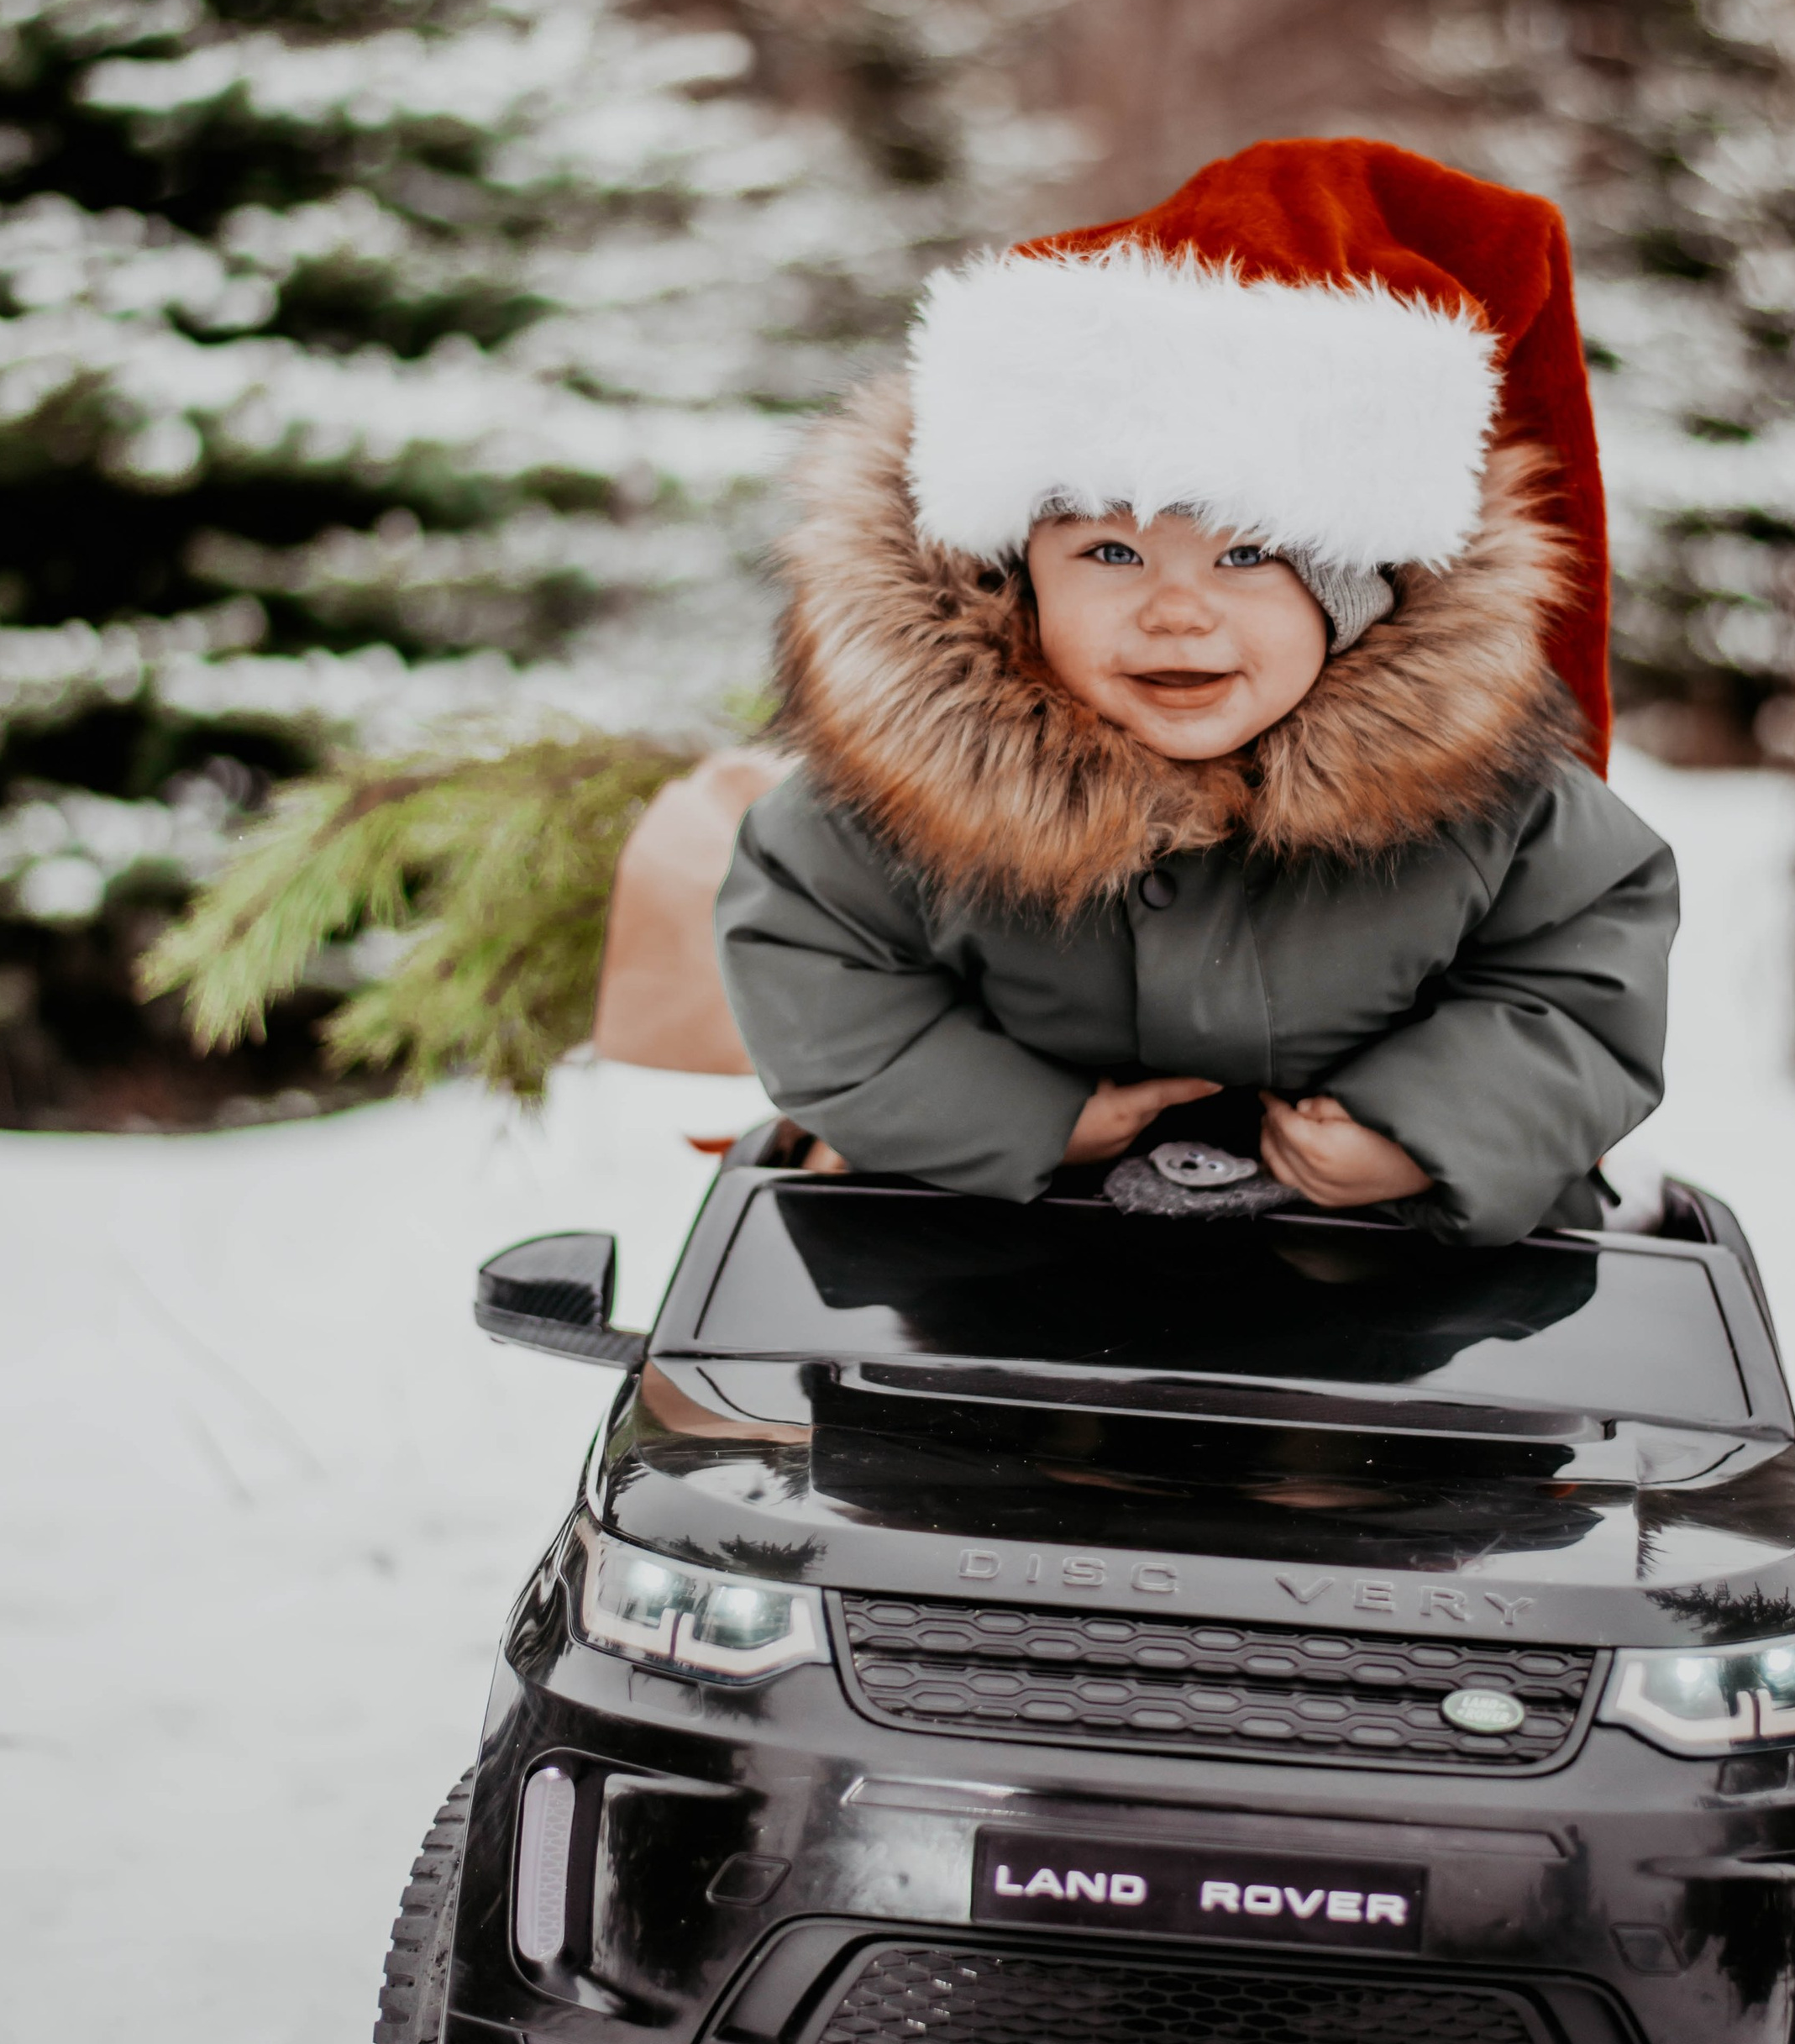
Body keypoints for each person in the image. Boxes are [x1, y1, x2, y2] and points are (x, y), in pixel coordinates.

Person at [714, 135, 1676, 1248]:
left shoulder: (1490, 790)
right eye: (1112, 557)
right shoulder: (911, 786)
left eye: (1247, 557)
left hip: (1405, 1302)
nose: (1177, 612)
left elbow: (1579, 976)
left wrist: (1428, 1130)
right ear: (1017, 580)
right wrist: (1025, 1119)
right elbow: (809, 959)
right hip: (999, 1276)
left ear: (1355, 592)